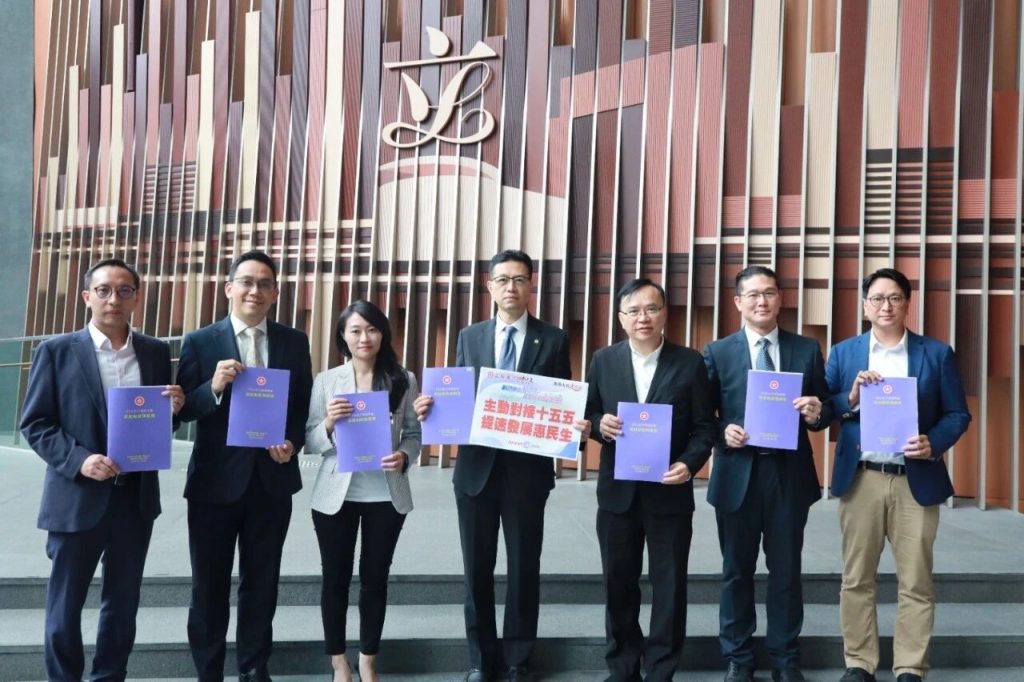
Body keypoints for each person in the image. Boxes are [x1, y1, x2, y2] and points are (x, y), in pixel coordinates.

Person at [413, 249, 589, 682]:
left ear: (532, 286)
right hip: (476, 471)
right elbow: (457, 396)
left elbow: (563, 399)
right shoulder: (469, 336)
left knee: (524, 568)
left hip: (527, 474)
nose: (511, 287)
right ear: (489, 286)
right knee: (476, 569)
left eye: (520, 279)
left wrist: (575, 426)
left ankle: (517, 659)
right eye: (503, 279)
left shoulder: (553, 339)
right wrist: (431, 410)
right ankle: (481, 659)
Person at [20, 258, 184, 681]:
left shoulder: (154, 351)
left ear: (136, 298)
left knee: (122, 606)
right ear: (87, 296)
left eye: (124, 290)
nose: (114, 299)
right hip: (76, 497)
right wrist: (80, 461)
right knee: (65, 606)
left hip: (134, 498)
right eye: (104, 290)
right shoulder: (56, 350)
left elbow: (154, 424)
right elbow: (36, 423)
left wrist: (173, 412)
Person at [825, 268, 971, 682]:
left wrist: (933, 442)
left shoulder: (936, 353)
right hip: (862, 479)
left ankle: (910, 667)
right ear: (864, 305)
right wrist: (851, 397)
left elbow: (958, 413)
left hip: (915, 479)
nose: (885, 306)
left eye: (894, 298)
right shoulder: (844, 353)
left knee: (916, 580)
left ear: (907, 303)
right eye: (877, 298)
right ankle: (859, 664)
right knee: (857, 578)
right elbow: (825, 409)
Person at [177, 250, 313, 682]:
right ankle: (209, 671)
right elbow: (182, 409)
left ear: (275, 293)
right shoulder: (200, 341)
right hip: (214, 484)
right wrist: (213, 387)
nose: (255, 290)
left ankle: (254, 667)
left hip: (271, 481)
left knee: (263, 582)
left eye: (265, 284)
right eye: (247, 282)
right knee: (208, 585)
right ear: (229, 288)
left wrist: (291, 442)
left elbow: (302, 407)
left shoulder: (294, 342)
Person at [703, 265, 833, 682]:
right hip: (737, 475)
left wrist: (816, 413)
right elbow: (701, 416)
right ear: (738, 302)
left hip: (787, 475)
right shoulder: (717, 352)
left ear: (781, 299)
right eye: (753, 294)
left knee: (786, 571)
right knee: (735, 571)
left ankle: (784, 658)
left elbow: (825, 406)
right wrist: (723, 431)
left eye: (770, 293)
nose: (762, 301)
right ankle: (738, 658)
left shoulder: (806, 349)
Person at [584, 278, 716, 682]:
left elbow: (704, 427)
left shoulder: (690, 362)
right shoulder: (603, 360)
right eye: (634, 310)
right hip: (617, 493)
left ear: (665, 314)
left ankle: (661, 670)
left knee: (669, 585)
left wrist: (689, 465)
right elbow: (587, 414)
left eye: (652, 308)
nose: (643, 317)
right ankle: (622, 667)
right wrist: (599, 425)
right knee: (618, 583)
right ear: (621, 318)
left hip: (668, 493)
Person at [304, 300, 421, 682]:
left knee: (375, 579)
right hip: (335, 496)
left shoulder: (403, 379)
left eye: (371, 329)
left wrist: (404, 456)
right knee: (334, 579)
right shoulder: (327, 381)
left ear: (382, 334)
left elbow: (414, 434)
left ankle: (368, 658)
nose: (364, 337)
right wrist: (328, 424)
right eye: (355, 330)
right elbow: (310, 441)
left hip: (386, 495)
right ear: (343, 336)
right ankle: (339, 661)